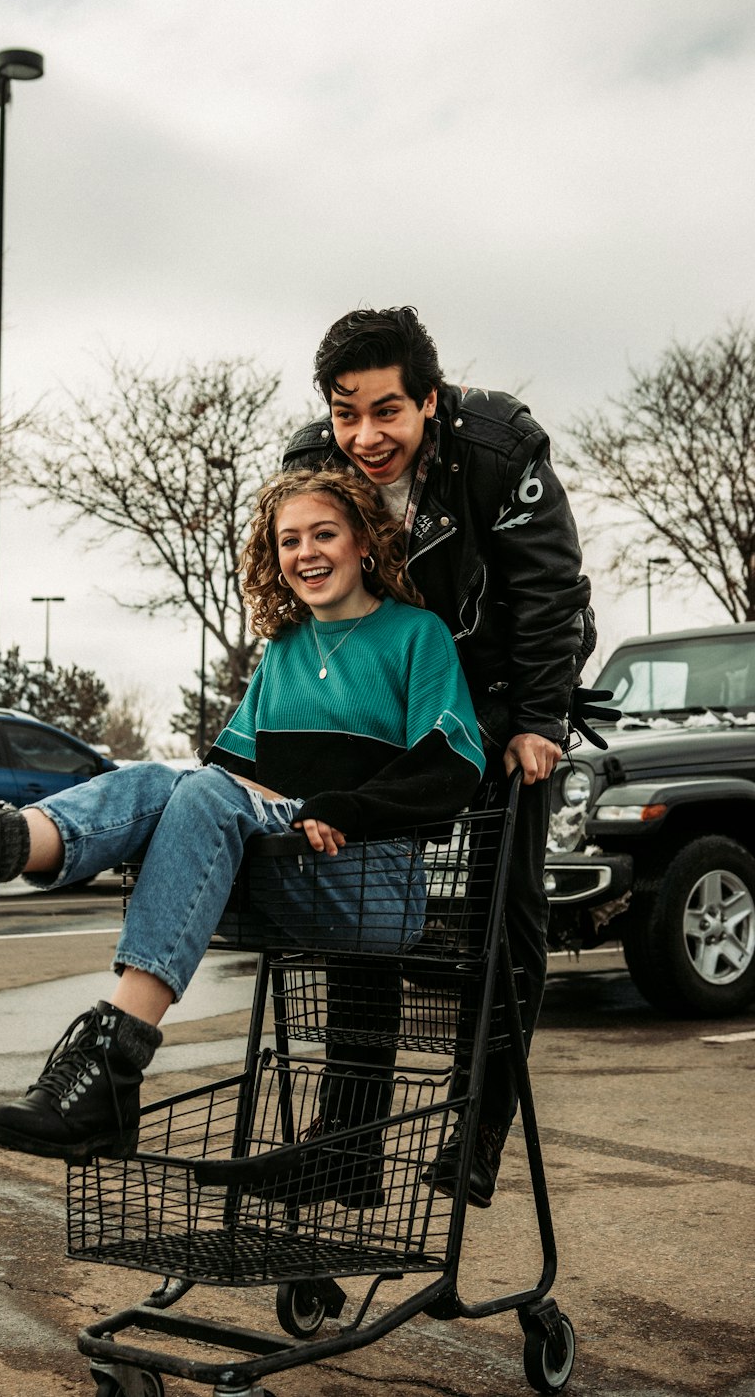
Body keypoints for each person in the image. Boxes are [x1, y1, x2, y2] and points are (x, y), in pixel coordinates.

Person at [0, 469, 485, 1188]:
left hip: (371, 886)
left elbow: (452, 765)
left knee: (199, 792)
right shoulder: (282, 653)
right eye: (289, 540)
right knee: (169, 782)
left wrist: (345, 806)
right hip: (287, 871)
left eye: (323, 534)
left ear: (365, 542)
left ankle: (102, 1045)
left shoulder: (414, 636)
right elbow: (223, 777)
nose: (305, 552)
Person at [283, 307, 601, 1208]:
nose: (366, 436)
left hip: (506, 695)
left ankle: (477, 1127)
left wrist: (539, 720)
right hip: (402, 699)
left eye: (387, 411)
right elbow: (312, 592)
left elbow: (549, 592)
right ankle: (349, 1146)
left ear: (430, 399)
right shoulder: (314, 466)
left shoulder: (497, 450)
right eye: (348, 413)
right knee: (361, 904)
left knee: (508, 916)